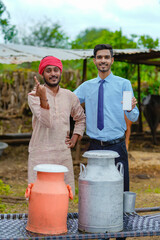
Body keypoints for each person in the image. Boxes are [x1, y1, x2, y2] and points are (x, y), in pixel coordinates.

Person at [74, 44, 139, 192]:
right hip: (95, 146)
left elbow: (134, 117)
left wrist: (129, 109)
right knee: (95, 190)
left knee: (120, 189)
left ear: (112, 60)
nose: (103, 60)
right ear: (94, 61)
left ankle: (122, 215)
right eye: (99, 57)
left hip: (117, 146)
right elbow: (68, 101)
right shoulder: (86, 86)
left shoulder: (124, 84)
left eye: (106, 57)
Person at [28, 56, 86, 195]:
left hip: (62, 154)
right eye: (48, 70)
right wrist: (43, 98)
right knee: (39, 195)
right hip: (40, 153)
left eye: (56, 70)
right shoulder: (33, 95)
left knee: (61, 194)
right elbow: (47, 123)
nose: (53, 74)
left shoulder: (69, 96)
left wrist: (75, 137)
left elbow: (81, 118)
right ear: (42, 74)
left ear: (60, 72)